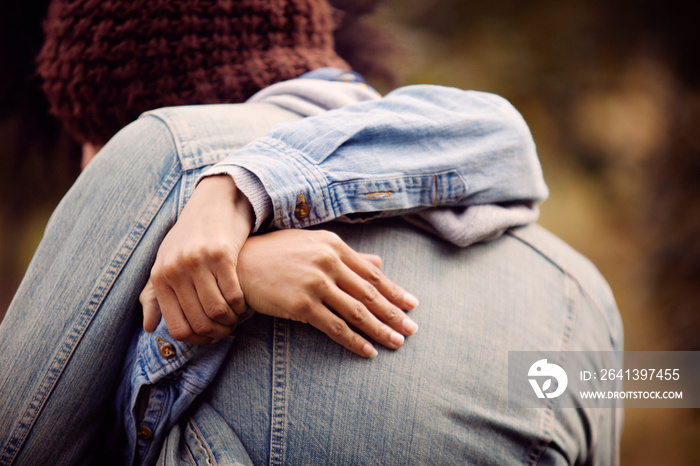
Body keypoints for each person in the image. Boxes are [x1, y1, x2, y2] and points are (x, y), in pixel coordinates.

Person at [0, 1, 621, 465]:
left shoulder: (154, 158)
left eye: (87, 136)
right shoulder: (582, 287)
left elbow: (20, 437)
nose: (83, 164)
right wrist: (234, 275)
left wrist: (226, 196)